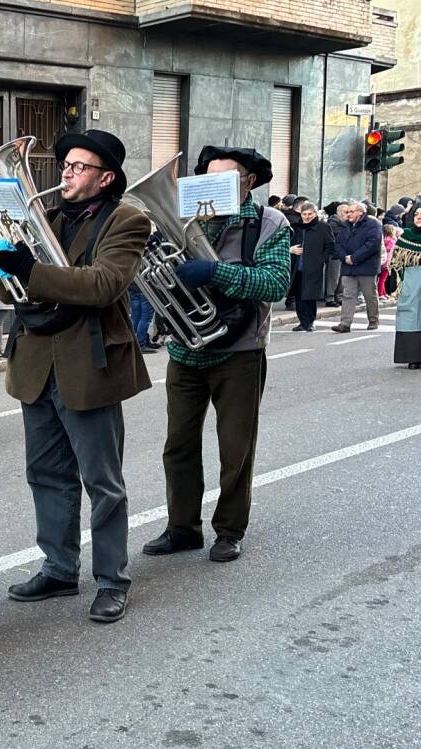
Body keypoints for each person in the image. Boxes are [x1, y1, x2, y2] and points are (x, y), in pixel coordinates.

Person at [0, 129, 151, 622]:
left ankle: (111, 579)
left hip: (89, 364)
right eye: (65, 165)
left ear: (106, 178)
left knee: (103, 481)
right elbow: (28, 285)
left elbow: (102, 284)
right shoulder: (48, 219)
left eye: (79, 167)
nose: (66, 172)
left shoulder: (127, 220)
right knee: (47, 474)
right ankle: (59, 568)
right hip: (36, 363)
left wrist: (29, 269)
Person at [143, 145, 290, 564]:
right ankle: (181, 528)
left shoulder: (270, 222)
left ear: (249, 181)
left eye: (224, 178)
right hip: (187, 350)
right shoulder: (186, 219)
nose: (213, 185)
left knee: (235, 448)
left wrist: (215, 271)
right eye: (207, 177)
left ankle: (229, 530)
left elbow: (275, 283)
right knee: (178, 445)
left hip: (239, 350)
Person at [331, 201, 382, 333]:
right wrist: (344, 257)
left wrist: (354, 258)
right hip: (349, 267)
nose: (348, 214)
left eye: (351, 212)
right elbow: (337, 244)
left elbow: (372, 244)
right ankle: (345, 323)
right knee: (348, 295)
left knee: (369, 295)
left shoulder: (373, 224)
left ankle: (373, 320)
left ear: (361, 212)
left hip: (366, 267)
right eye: (347, 212)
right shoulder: (345, 226)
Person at [289, 202, 334, 332]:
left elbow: (331, 247)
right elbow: (284, 243)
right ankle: (302, 322)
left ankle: (310, 321)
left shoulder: (323, 227)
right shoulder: (296, 228)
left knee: (310, 296)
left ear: (315, 214)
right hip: (297, 266)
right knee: (299, 296)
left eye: (310, 214)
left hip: (313, 267)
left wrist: (320, 260)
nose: (307, 217)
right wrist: (290, 250)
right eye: (304, 214)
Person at [392, 207, 421, 369]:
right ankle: (413, 357)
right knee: (410, 317)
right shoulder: (406, 236)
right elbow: (396, 261)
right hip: (410, 281)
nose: (419, 217)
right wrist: (393, 278)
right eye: (416, 214)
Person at [324, 202, 349, 307]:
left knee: (342, 276)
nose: (348, 214)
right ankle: (329, 297)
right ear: (339, 212)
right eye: (346, 212)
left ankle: (339, 296)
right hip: (334, 253)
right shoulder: (332, 222)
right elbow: (342, 235)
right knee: (333, 276)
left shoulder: (346, 224)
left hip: (344, 253)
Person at [379, 223, 397, 299]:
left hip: (381, 262)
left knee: (381, 279)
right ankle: (381, 293)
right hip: (387, 263)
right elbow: (389, 249)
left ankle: (384, 292)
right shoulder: (391, 241)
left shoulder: (384, 239)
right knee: (383, 279)